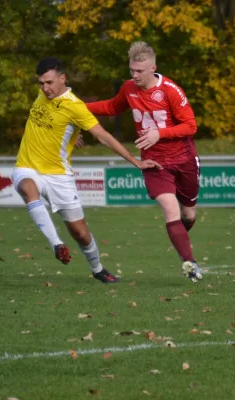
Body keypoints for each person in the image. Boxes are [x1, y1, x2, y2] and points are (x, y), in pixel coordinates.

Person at [12, 57, 160, 283]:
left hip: (59, 175)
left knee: (80, 233)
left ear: (63, 79)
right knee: (26, 187)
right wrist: (72, 132)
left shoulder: (75, 107)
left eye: (50, 82)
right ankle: (57, 244)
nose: (45, 88)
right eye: (41, 83)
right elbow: (53, 121)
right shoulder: (43, 95)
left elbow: (104, 137)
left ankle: (98, 268)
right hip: (27, 167)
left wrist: (136, 162)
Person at [85, 41, 203, 283]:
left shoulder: (170, 90)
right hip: (154, 164)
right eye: (132, 70)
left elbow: (191, 126)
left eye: (139, 71)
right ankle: (189, 263)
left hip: (183, 159)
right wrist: (76, 107)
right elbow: (111, 107)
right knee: (170, 210)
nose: (134, 75)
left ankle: (179, 239)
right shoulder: (128, 88)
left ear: (153, 68)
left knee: (188, 215)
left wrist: (160, 133)